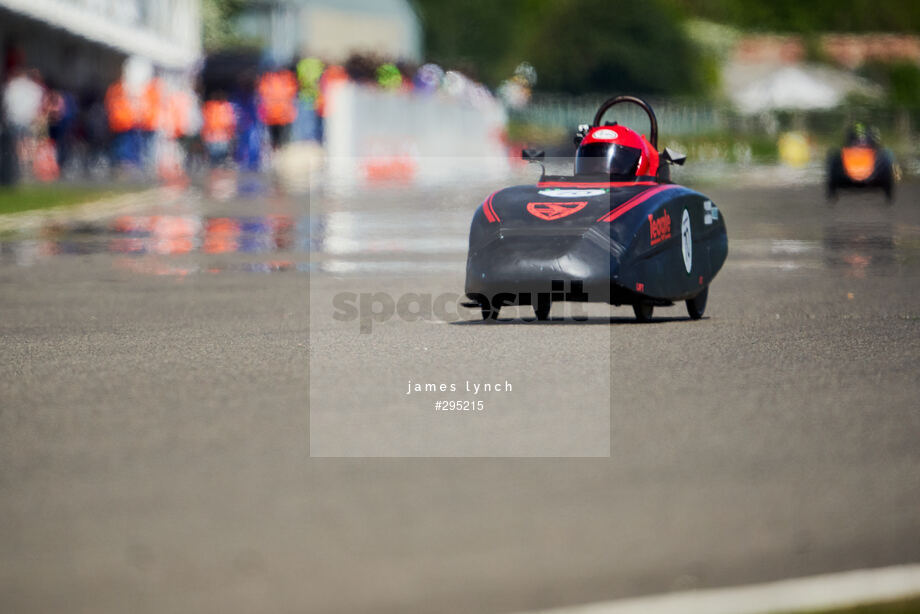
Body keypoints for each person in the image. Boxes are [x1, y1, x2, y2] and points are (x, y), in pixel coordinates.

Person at [257, 67, 297, 149]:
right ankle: (276, 148)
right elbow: (263, 94)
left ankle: (282, 148)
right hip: (272, 115)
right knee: (274, 136)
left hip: (283, 115)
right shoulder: (268, 78)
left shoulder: (286, 77)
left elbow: (291, 92)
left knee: (284, 136)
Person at [201, 92, 236, 167]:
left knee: (221, 158)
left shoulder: (225, 106)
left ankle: (219, 172)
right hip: (213, 137)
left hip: (222, 137)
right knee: (214, 159)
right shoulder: (209, 107)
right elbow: (205, 123)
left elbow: (230, 123)